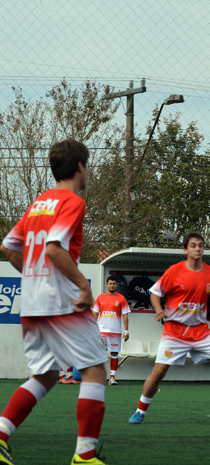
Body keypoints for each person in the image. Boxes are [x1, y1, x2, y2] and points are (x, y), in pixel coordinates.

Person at [0, 139, 109, 465]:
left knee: (45, 375)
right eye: (87, 166)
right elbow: (54, 249)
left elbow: (8, 248)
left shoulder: (38, 203)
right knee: (94, 371)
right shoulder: (71, 201)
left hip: (32, 303)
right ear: (80, 167)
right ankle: (85, 455)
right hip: (62, 302)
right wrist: (83, 286)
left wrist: (33, 276)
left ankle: (1, 433)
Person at [127, 232, 210, 425]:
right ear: (185, 250)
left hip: (201, 332)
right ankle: (140, 411)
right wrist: (158, 310)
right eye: (193, 245)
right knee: (159, 372)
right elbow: (155, 293)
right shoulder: (174, 271)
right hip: (174, 332)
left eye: (200, 245)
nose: (198, 248)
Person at [93, 275, 131, 385]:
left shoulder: (121, 298)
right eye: (110, 283)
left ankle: (112, 378)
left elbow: (125, 315)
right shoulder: (100, 298)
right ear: (106, 284)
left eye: (114, 283)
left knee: (114, 353)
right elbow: (95, 314)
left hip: (115, 332)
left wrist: (126, 331)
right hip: (101, 331)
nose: (112, 285)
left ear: (117, 285)